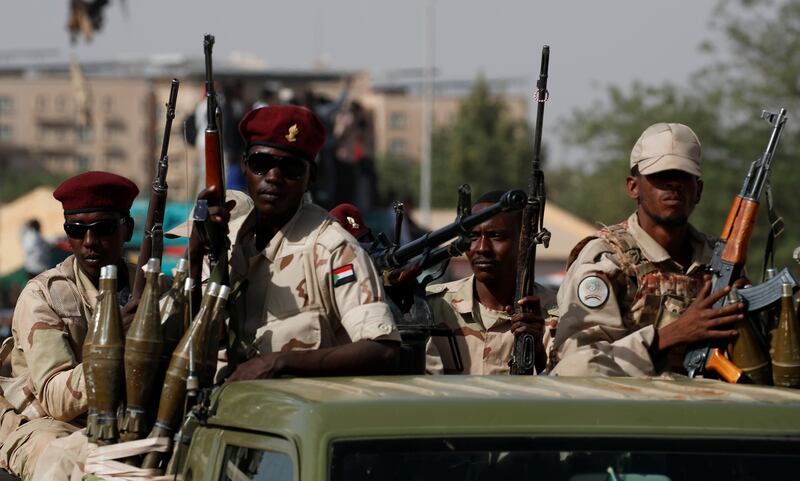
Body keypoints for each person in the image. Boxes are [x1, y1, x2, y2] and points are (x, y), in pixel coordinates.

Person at [188, 105, 400, 382]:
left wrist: (280, 363)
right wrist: (194, 255)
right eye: (261, 164)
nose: (273, 178)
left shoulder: (332, 249)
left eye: (290, 169)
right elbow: (183, 333)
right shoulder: (224, 242)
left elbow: (383, 350)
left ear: (312, 177)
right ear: (244, 165)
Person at [550, 123, 745, 377]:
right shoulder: (606, 259)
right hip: (634, 412)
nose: (674, 185)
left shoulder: (720, 261)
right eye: (661, 176)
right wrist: (670, 336)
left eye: (683, 176)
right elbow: (577, 366)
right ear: (633, 186)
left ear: (698, 191)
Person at [0, 171, 139, 480]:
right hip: (48, 426)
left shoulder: (156, 289)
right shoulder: (45, 295)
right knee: (68, 459)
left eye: (102, 228)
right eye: (76, 230)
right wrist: (119, 342)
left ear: (126, 228)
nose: (89, 242)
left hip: (133, 420)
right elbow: (56, 399)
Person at [425, 190, 556, 375]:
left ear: (524, 241)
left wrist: (538, 353)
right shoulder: (433, 308)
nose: (481, 248)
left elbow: (573, 393)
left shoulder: (558, 315)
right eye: (473, 237)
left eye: (496, 236)